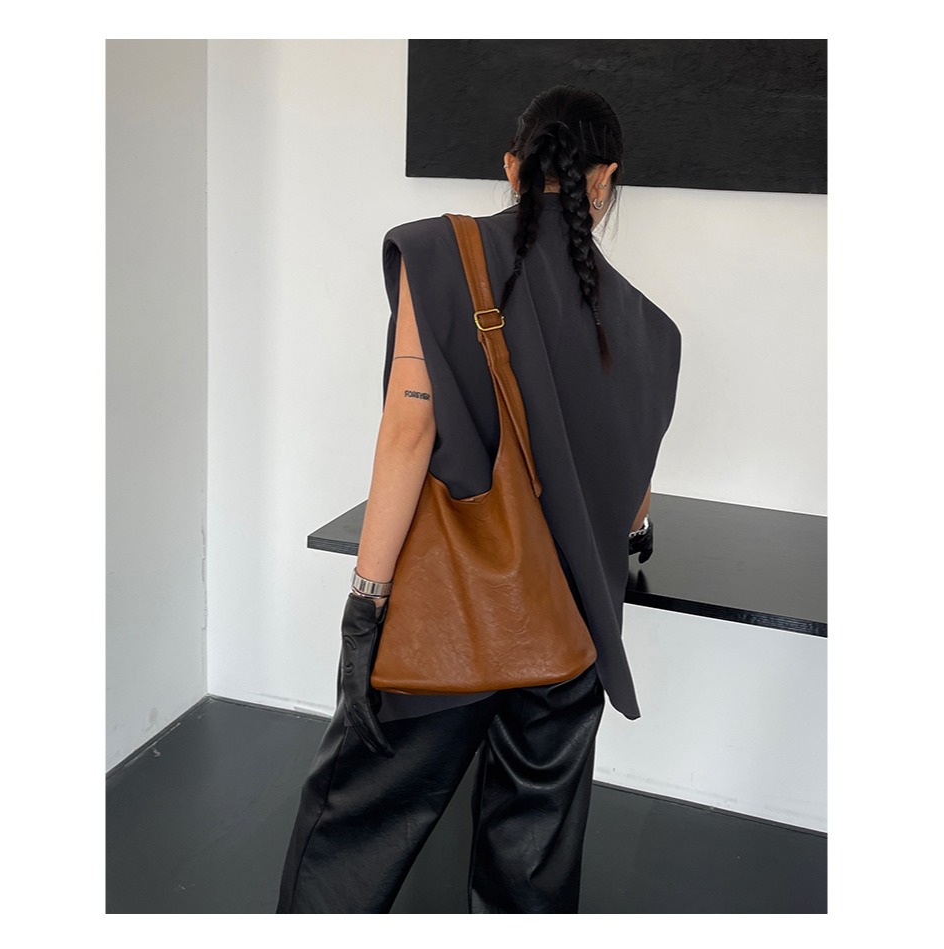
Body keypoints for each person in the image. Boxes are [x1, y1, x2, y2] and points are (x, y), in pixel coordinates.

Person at [276, 84, 681, 914]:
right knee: (527, 877)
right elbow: (633, 504)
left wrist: (365, 604)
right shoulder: (654, 330)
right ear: (606, 178)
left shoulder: (441, 255)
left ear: (510, 165)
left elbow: (407, 432)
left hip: (446, 625)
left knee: (350, 837)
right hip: (568, 641)